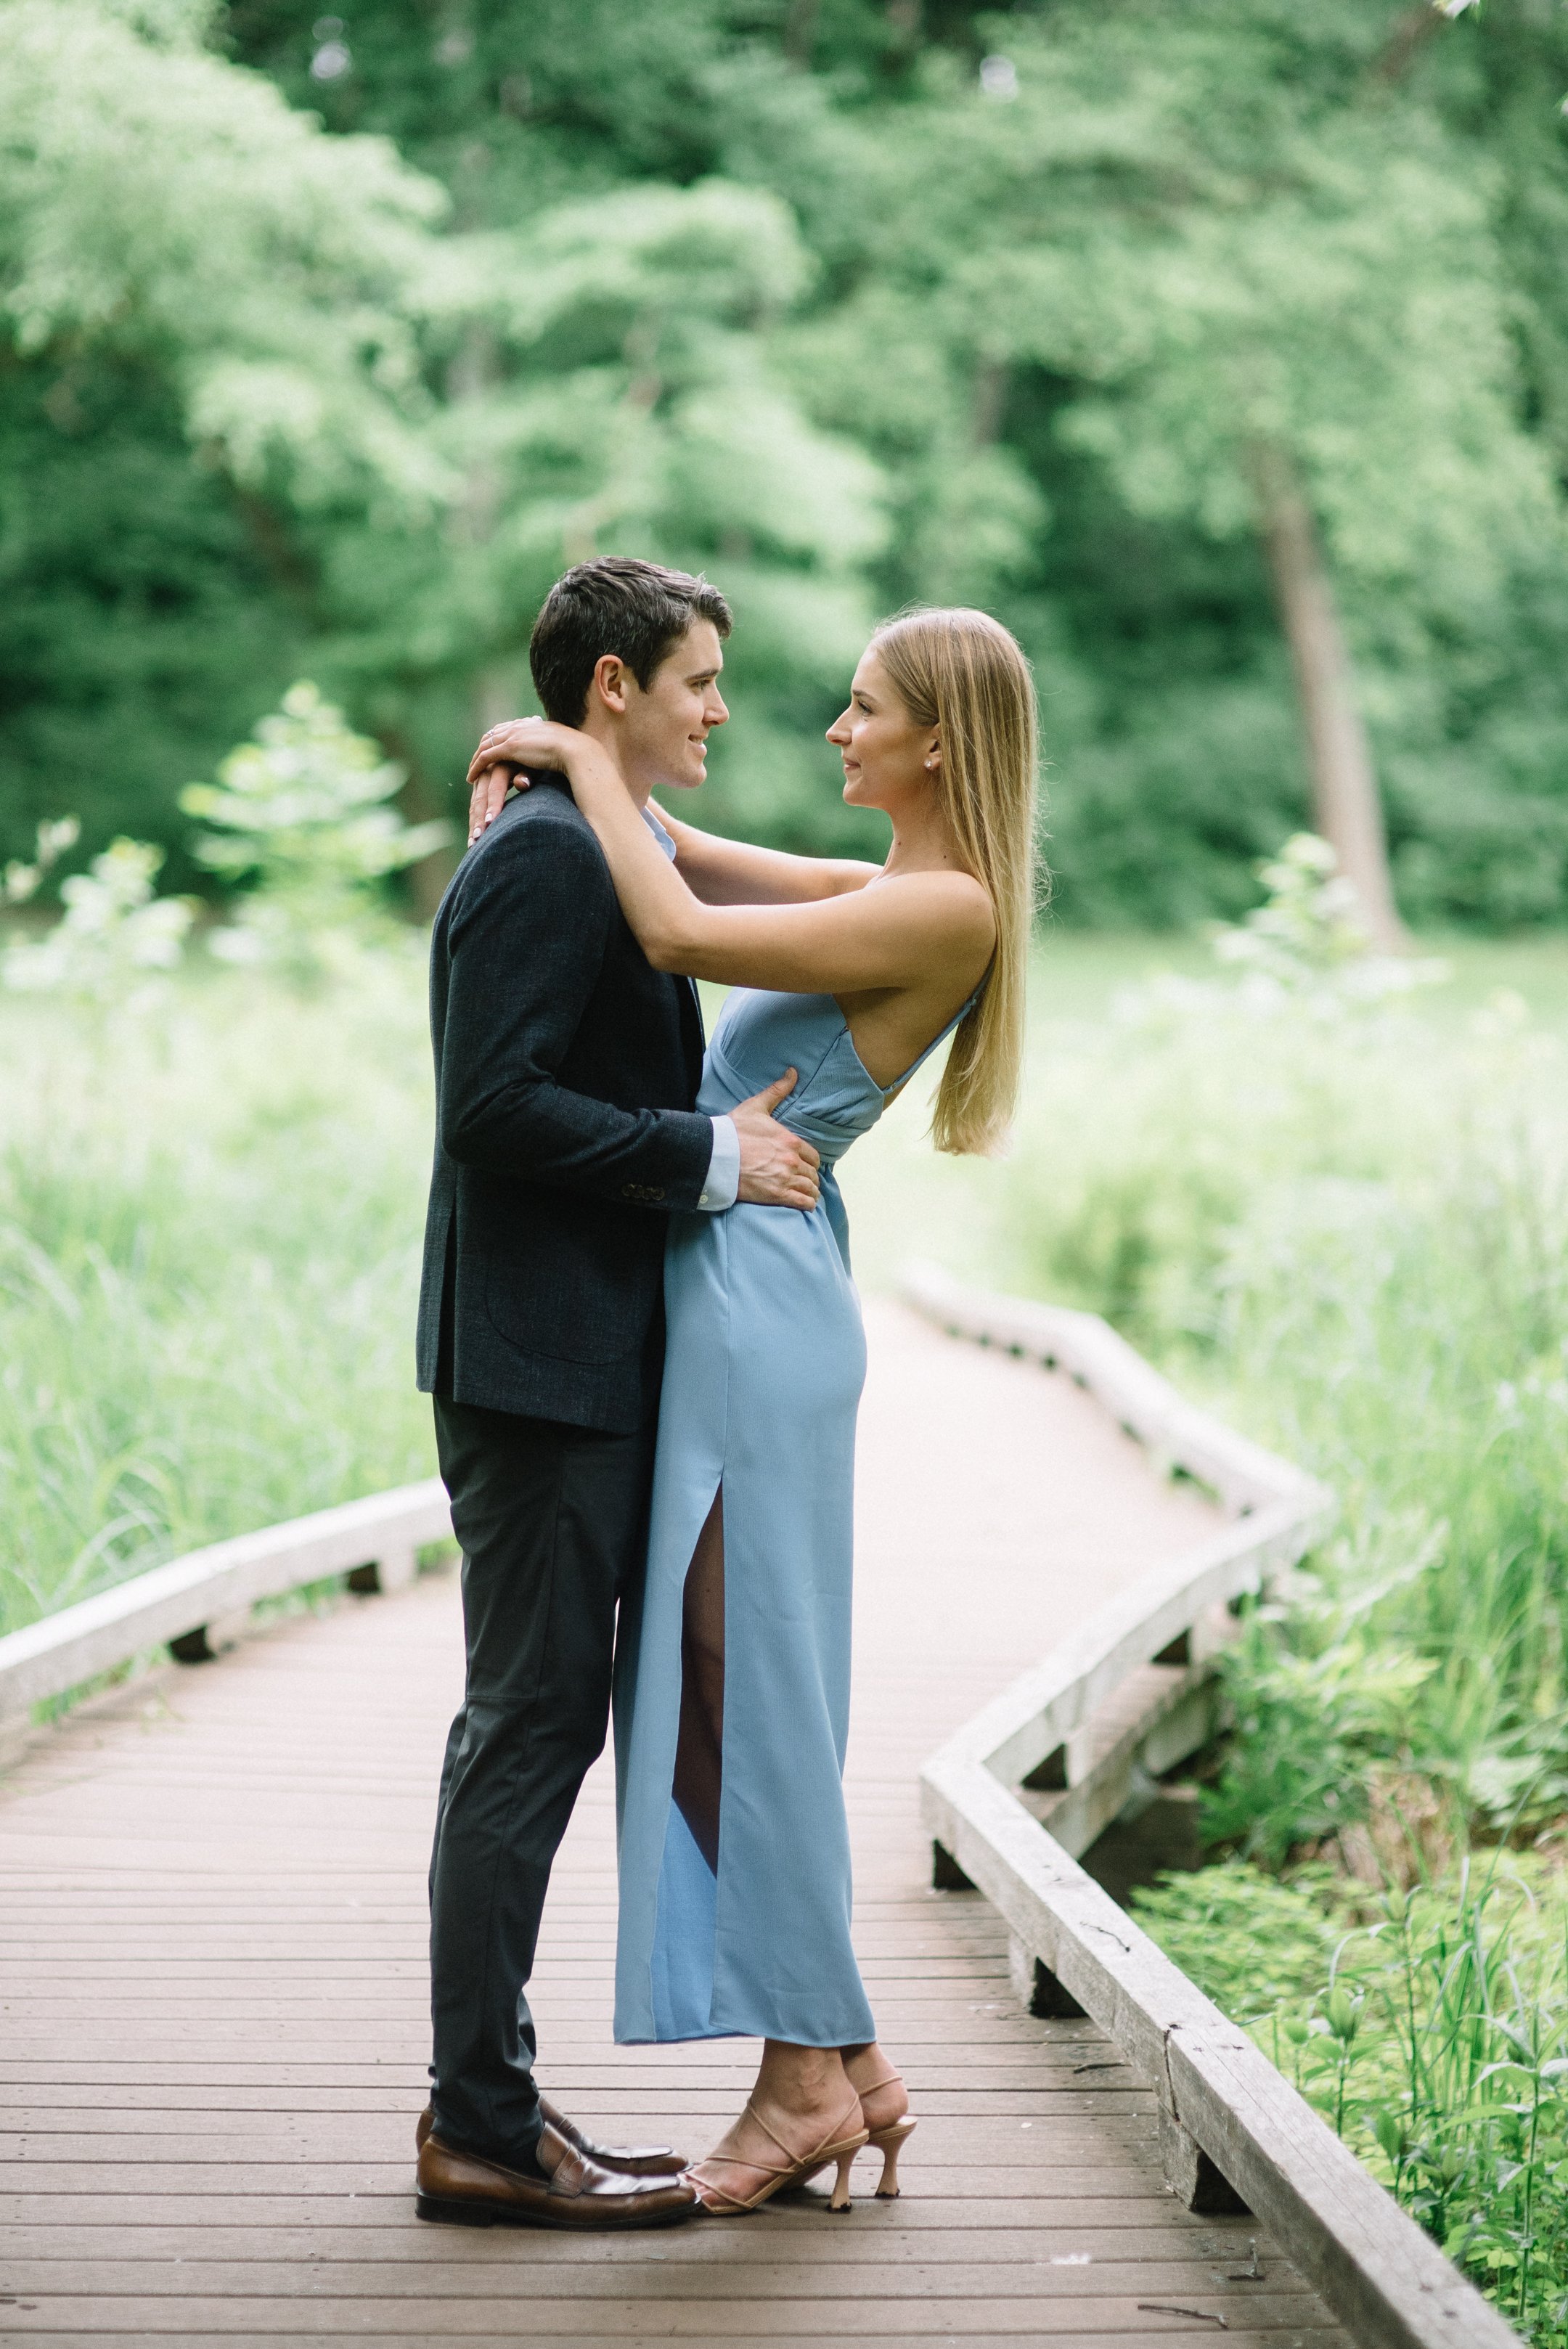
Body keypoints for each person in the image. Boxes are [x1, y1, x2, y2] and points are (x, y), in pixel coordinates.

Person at [466, 601, 1038, 2214]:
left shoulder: (944, 910)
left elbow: (666, 928)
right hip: (739, 1285)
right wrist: (577, 766)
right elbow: (691, 852)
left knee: (745, 1688)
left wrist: (581, 749)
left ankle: (798, 2082)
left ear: (937, 738)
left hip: (755, 1298)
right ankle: (843, 2061)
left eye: (863, 710)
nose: (833, 730)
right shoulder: (887, 887)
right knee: (724, 1682)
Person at [412, 557, 826, 2231]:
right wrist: (708, 1158)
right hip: (539, 1367)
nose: (720, 708)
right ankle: (480, 2124)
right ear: (614, 690)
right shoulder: (548, 856)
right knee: (526, 1725)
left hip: (576, 1359)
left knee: (542, 1723)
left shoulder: (609, 834)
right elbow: (489, 1107)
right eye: (698, 680)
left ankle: (493, 2103)